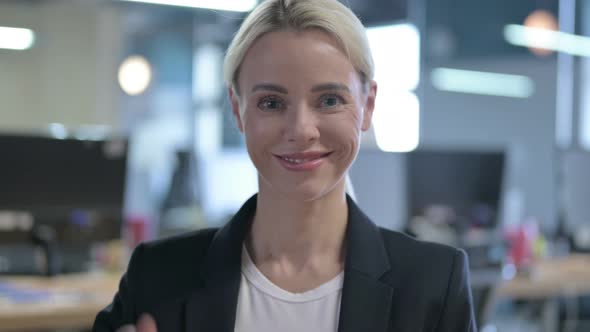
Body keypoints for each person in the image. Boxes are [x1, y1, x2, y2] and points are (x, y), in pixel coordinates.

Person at [93, 0, 477, 331]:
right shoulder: (157, 277)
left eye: (329, 100)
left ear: (368, 106)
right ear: (237, 110)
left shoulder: (432, 284)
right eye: (271, 103)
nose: (300, 130)